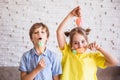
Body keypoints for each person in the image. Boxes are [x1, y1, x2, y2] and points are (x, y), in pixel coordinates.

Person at [56, 6, 118, 80]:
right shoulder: (68, 52)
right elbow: (59, 32)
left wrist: (99, 48)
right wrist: (71, 15)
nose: (80, 45)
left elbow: (114, 62)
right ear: (71, 45)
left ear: (87, 42)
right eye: (76, 43)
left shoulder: (93, 56)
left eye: (83, 41)